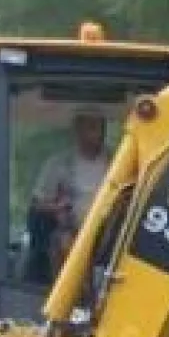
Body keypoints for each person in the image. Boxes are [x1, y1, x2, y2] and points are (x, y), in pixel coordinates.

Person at [29, 111, 110, 278]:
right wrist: (58, 207)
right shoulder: (58, 164)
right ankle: (63, 292)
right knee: (62, 243)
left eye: (101, 128)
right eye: (92, 128)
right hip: (71, 230)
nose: (98, 134)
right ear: (78, 130)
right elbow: (37, 204)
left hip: (110, 230)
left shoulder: (116, 161)